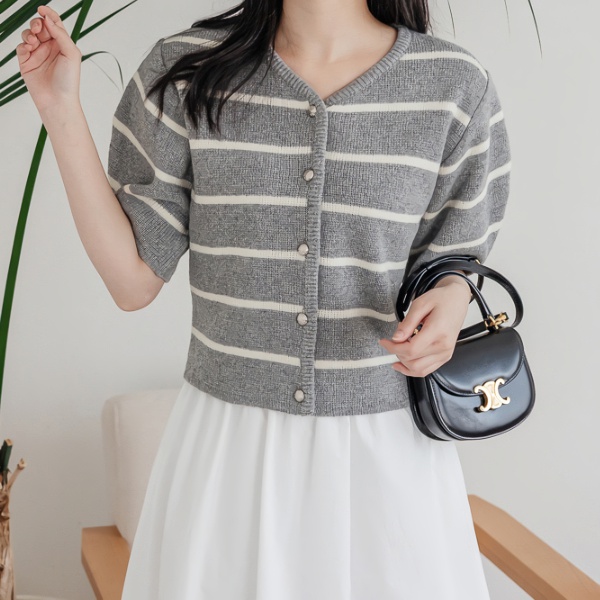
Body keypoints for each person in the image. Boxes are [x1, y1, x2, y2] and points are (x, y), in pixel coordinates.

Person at [17, 1, 511, 598]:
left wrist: (452, 298)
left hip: (385, 458)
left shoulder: (455, 87)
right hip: (227, 455)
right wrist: (60, 110)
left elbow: (456, 264)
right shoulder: (185, 71)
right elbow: (132, 282)